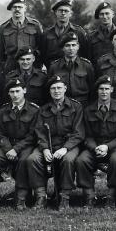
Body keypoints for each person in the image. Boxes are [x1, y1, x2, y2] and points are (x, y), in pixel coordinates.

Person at [27, 74, 85, 209]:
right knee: (33, 159)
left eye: (59, 87)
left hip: (69, 144)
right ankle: (41, 196)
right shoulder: (43, 109)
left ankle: (64, 197)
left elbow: (79, 133)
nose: (56, 91)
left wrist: (65, 148)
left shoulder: (76, 107)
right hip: (49, 144)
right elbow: (39, 132)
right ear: (49, 91)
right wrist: (45, 148)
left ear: (65, 88)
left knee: (68, 160)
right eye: (53, 88)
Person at [0, 79, 40, 209]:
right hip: (7, 146)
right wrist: (9, 148)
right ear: (8, 93)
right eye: (11, 92)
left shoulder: (34, 110)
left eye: (17, 91)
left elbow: (33, 135)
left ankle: (20, 198)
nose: (15, 94)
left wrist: (16, 149)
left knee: (24, 161)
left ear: (24, 91)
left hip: (26, 146)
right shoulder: (3, 110)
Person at [75, 76, 116, 208]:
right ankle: (89, 196)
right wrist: (95, 148)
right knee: (82, 160)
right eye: (101, 89)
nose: (104, 92)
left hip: (115, 145)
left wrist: (107, 147)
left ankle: (112, 195)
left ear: (112, 90)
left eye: (107, 89)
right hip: (95, 146)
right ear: (97, 91)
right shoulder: (88, 110)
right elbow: (86, 135)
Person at [0, 0, 43, 72]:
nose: (17, 9)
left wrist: (38, 65)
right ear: (11, 9)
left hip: (32, 68)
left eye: (20, 7)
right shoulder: (3, 28)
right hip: (11, 68)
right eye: (14, 7)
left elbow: (42, 48)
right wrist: (5, 66)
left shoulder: (35, 25)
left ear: (25, 9)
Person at [47, 31, 96, 104]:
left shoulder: (87, 65)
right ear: (62, 48)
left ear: (78, 47)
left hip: (83, 104)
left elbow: (93, 89)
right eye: (67, 45)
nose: (71, 48)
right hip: (62, 104)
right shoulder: (54, 66)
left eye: (73, 45)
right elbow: (50, 89)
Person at [40, 0, 86, 66]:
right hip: (52, 70)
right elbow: (42, 55)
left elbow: (84, 53)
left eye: (66, 11)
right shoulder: (47, 33)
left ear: (70, 14)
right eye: (60, 11)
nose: (63, 13)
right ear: (56, 12)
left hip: (73, 70)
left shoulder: (78, 32)